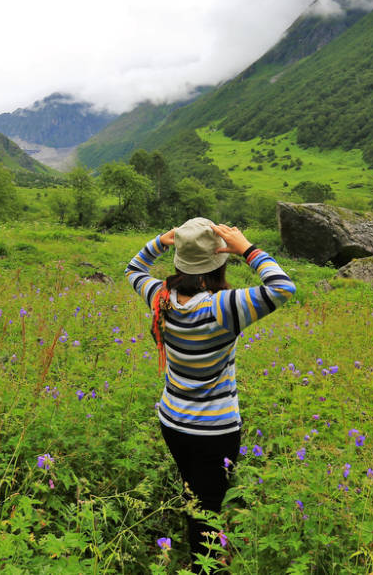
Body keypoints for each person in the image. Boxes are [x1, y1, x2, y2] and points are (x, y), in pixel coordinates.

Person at [125, 217, 296, 566]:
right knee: (209, 507)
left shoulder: (160, 298)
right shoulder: (224, 308)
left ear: (178, 261)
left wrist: (162, 240)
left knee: (194, 491)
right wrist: (247, 249)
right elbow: (282, 287)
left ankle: (201, 547)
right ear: (217, 264)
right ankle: (205, 564)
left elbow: (133, 268)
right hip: (214, 430)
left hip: (172, 421)